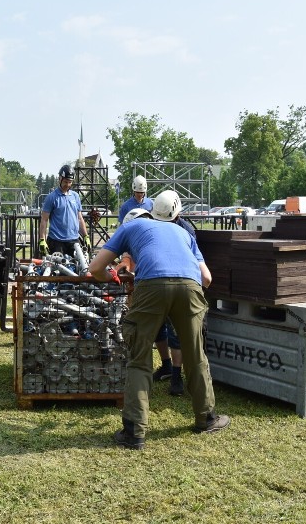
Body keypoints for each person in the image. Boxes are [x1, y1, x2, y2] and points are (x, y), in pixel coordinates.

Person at [89, 190, 229, 449]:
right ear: (176, 214)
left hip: (150, 286)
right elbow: (207, 279)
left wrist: (112, 278)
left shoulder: (132, 226)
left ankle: (134, 432)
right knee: (196, 356)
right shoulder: (185, 234)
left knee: (140, 360)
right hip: (190, 286)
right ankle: (206, 419)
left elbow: (96, 268)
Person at [117, 206, 184, 396]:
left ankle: (177, 377)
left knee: (174, 332)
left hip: (169, 284)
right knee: (158, 329)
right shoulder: (147, 233)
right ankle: (167, 366)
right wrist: (125, 264)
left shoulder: (179, 230)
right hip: (160, 286)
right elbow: (128, 255)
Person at [38, 164, 90, 257]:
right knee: (59, 270)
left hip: (74, 240)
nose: (68, 184)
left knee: (79, 268)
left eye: (70, 182)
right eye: (65, 181)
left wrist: (86, 236)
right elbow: (44, 219)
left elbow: (79, 218)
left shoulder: (75, 196)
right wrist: (42, 240)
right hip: (56, 241)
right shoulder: (52, 197)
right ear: (60, 179)